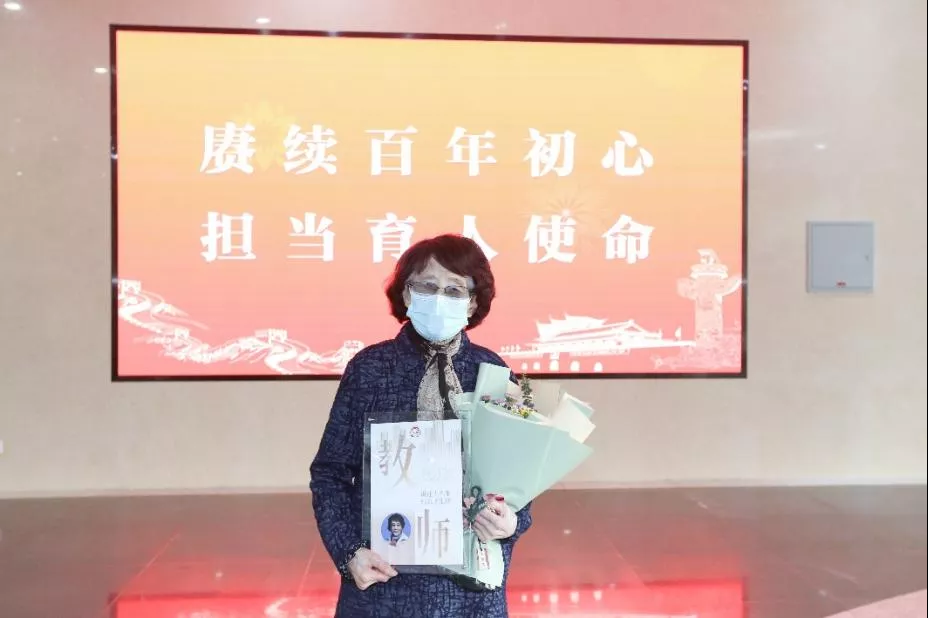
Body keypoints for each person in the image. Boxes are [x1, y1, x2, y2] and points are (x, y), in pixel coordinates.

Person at [310, 234, 533, 617]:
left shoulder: (493, 372)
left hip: (470, 589)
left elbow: (519, 478)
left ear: (472, 302)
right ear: (407, 293)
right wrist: (349, 553)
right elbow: (330, 474)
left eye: (454, 289)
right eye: (427, 286)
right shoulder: (370, 369)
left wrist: (513, 521)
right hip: (383, 582)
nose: (439, 298)